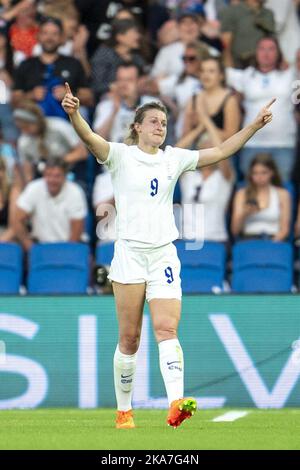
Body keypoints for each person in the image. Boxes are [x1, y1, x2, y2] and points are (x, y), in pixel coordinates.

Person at [62, 81, 275, 429]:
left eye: (163, 122)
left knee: (166, 328)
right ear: (137, 127)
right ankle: (124, 411)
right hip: (129, 254)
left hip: (163, 255)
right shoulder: (120, 155)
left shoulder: (173, 158)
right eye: (154, 122)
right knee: (129, 338)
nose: (160, 127)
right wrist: (74, 114)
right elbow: (90, 140)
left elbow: (220, 151)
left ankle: (176, 403)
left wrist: (253, 125)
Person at [226, 36, 297, 181]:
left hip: (283, 143)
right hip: (251, 142)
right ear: (256, 52)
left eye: (271, 49)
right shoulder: (245, 75)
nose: (266, 53)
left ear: (278, 53)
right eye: (262, 48)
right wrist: (226, 46)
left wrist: (290, 63)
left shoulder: (291, 74)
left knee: (282, 186)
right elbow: (223, 71)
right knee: (249, 190)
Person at [12, 16, 93, 117]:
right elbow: (14, 100)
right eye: (45, 33)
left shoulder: (73, 64)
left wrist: (70, 97)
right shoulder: (26, 65)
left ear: (61, 37)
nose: (49, 38)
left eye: (54, 34)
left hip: (66, 123)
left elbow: (89, 98)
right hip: (33, 122)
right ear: (38, 36)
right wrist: (31, 95)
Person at [14, 157, 88, 250]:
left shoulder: (75, 191)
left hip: (69, 246)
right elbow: (17, 219)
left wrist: (64, 254)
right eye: (48, 175)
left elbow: (76, 233)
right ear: (44, 175)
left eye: (57, 176)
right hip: (40, 247)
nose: (52, 180)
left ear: (65, 176)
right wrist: (29, 246)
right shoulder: (33, 188)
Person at [13, 100, 88, 184]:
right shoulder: (23, 142)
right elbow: (28, 172)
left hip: (71, 172)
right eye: (21, 128)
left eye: (27, 127)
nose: (24, 131)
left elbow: (82, 153)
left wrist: (56, 163)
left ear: (37, 121)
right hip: (43, 178)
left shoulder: (59, 127)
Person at [231, 153, 290, 241]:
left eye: (264, 172)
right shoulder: (242, 194)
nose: (259, 177)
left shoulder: (282, 194)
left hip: (274, 241)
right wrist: (244, 213)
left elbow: (284, 230)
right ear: (251, 174)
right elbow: (235, 231)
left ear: (272, 172)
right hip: (248, 240)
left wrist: (268, 245)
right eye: (255, 173)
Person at [220, 0, 275, 68]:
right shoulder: (232, 11)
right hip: (239, 64)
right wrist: (228, 61)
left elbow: (272, 39)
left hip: (262, 64)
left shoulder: (268, 13)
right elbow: (226, 41)